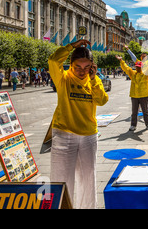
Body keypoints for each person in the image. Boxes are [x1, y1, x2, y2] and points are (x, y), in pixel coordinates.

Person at [48, 39, 109, 209]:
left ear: (92, 66)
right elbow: (53, 60)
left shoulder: (93, 79)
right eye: (77, 67)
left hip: (88, 135)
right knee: (62, 179)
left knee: (88, 178)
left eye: (86, 67)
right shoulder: (63, 78)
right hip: (64, 134)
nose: (82, 71)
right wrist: (71, 46)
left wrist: (94, 78)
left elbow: (102, 100)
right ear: (70, 64)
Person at [116, 55, 148, 131]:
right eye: (136, 67)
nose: (137, 68)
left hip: (143, 95)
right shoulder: (133, 73)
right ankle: (133, 125)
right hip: (134, 96)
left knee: (145, 111)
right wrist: (121, 61)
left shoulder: (146, 74)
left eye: (139, 67)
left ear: (141, 67)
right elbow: (126, 68)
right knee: (134, 112)